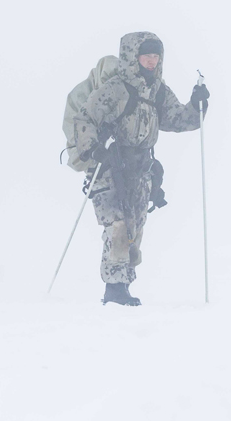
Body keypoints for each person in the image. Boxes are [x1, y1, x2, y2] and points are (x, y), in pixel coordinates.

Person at [74, 32, 209, 306]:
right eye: (146, 55)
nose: (151, 61)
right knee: (118, 226)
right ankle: (114, 288)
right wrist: (93, 149)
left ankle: (123, 283)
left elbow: (178, 119)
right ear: (132, 56)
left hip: (141, 169)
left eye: (155, 56)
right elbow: (85, 117)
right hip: (111, 166)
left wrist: (197, 105)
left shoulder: (158, 91)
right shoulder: (115, 88)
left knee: (135, 229)